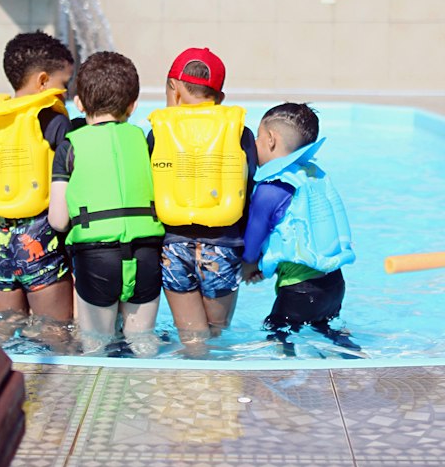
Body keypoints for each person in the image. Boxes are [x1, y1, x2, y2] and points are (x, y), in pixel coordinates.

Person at [48, 51, 164, 354]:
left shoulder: (70, 147)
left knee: (95, 347)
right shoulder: (143, 139)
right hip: (146, 254)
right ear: (133, 105)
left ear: (79, 104)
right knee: (143, 344)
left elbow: (58, 220)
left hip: (96, 259)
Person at [148, 47, 258, 345]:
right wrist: (251, 255)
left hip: (174, 245)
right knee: (216, 334)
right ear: (220, 96)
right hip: (223, 246)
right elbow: (248, 194)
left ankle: (188, 386)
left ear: (176, 87)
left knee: (191, 337)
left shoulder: (159, 131)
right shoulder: (240, 133)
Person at [0, 30, 75, 332]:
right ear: (42, 81)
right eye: (63, 83)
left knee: (5, 330)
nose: (65, 92)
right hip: (39, 238)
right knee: (56, 333)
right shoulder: (51, 119)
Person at [241, 101, 357, 348]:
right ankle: (356, 358)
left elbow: (255, 234)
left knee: (277, 335)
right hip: (334, 284)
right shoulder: (313, 175)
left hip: (300, 292)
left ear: (270, 139)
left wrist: (248, 265)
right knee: (328, 332)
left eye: (259, 138)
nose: (256, 146)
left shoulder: (272, 188)